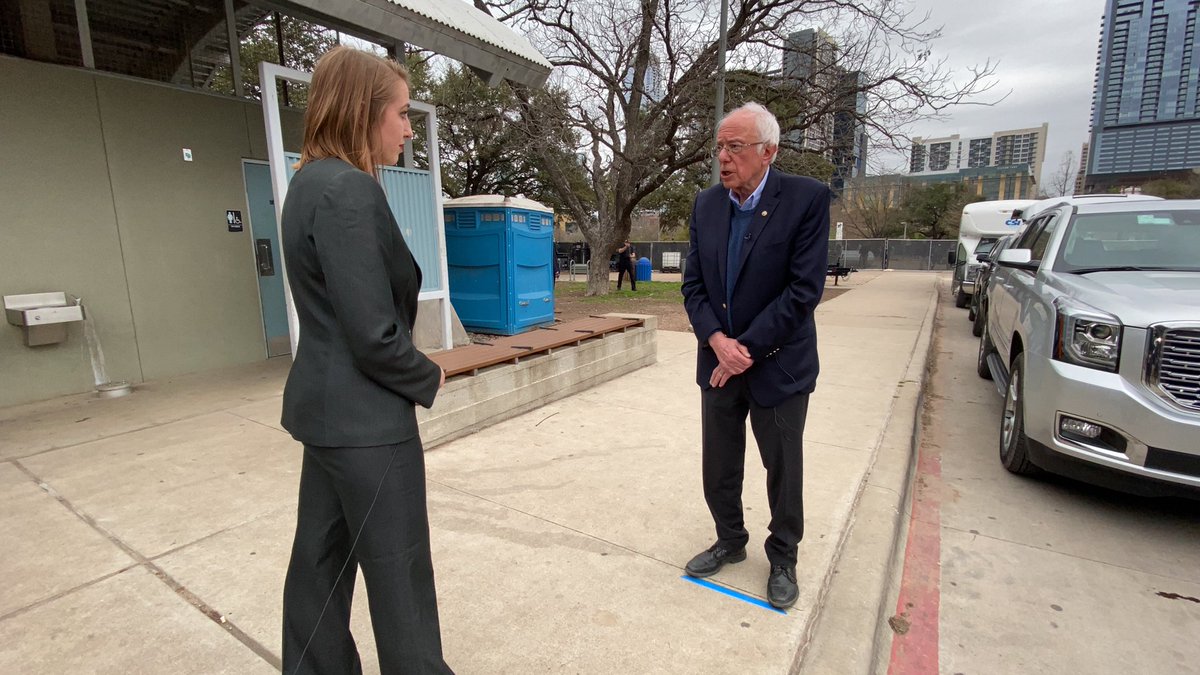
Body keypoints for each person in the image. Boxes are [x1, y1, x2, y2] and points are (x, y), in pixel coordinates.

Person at [278, 46, 453, 674]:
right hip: (368, 427)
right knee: (398, 575)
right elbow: (373, 334)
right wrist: (432, 373)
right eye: (402, 114)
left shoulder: (307, 183)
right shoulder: (349, 190)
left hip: (324, 418)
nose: (409, 129)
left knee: (319, 567)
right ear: (364, 111)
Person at [680, 102, 830, 610]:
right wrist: (718, 342)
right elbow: (694, 286)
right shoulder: (706, 205)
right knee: (719, 463)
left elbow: (803, 290)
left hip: (779, 364)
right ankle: (729, 539)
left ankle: (783, 556)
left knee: (783, 467)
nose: (723, 157)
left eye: (735, 147)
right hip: (720, 361)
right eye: (719, 147)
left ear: (769, 151)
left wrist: (745, 347)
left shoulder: (807, 199)